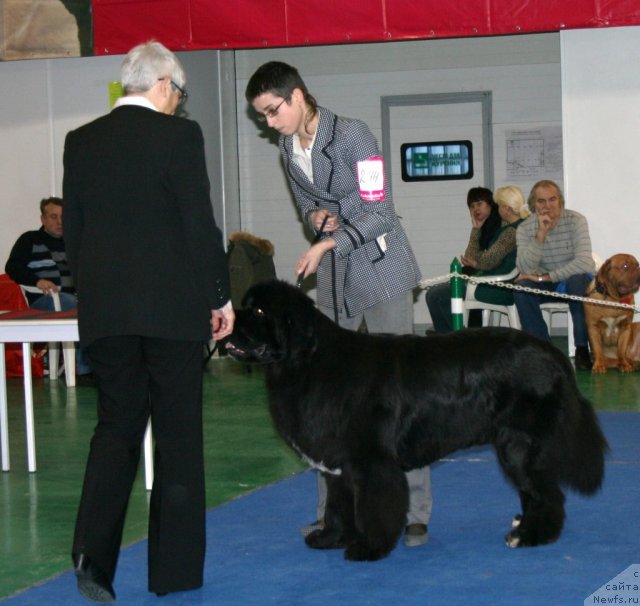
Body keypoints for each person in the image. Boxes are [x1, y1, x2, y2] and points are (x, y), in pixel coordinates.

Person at [62, 41, 234, 602]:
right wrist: (220, 297)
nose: (178, 105)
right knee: (178, 436)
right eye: (178, 95)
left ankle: (92, 560)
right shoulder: (179, 137)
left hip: (107, 314)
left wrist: (98, 296)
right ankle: (175, 573)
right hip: (172, 313)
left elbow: (75, 236)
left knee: (115, 430)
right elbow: (198, 226)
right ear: (163, 85)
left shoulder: (80, 141)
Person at [245, 61, 432, 548]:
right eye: (262, 115)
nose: (269, 122)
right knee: (326, 400)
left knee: (401, 395)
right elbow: (308, 209)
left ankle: (414, 510)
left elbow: (380, 212)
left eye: (272, 111)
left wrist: (329, 242)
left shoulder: (354, 136)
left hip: (381, 268)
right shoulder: (289, 150)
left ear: (298, 96)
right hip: (334, 278)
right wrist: (317, 217)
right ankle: (335, 515)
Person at [5, 196, 92, 380]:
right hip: (42, 301)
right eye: (53, 217)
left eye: (63, 216)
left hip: (75, 299)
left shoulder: (74, 243)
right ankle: (85, 371)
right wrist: (38, 281)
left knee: (98, 307)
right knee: (72, 304)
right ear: (43, 219)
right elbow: (12, 267)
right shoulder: (30, 239)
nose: (60, 222)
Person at [514, 179, 594, 370]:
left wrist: (547, 277)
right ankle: (543, 350)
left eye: (552, 199)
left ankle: (582, 349)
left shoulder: (576, 220)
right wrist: (541, 234)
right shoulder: (525, 228)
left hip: (571, 278)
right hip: (544, 280)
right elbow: (524, 267)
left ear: (560, 201)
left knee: (576, 281)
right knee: (521, 289)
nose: (547, 205)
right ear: (534, 205)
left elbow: (584, 262)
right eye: (541, 201)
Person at [426, 186, 527, 331]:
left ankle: (455, 340)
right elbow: (472, 258)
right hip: (488, 279)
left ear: (505, 208)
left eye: (479, 204)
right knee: (436, 293)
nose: (475, 209)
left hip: (494, 285)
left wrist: (476, 262)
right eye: (472, 206)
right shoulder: (510, 227)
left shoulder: (510, 230)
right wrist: (476, 231)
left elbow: (487, 260)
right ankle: (451, 338)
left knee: (435, 295)